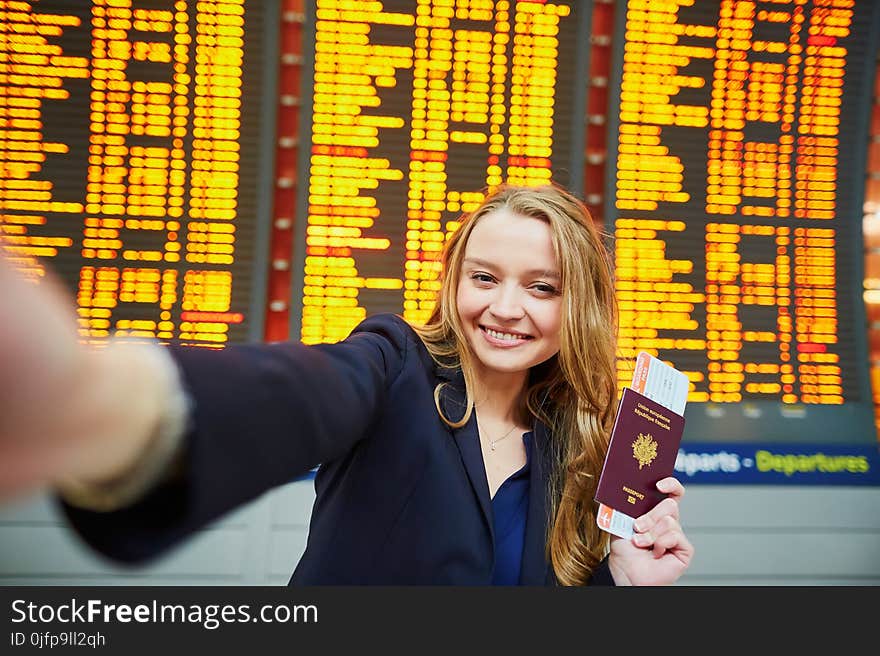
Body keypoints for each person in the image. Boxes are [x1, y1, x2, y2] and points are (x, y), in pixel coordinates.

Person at [0, 182, 694, 585]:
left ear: (579, 306)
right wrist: (105, 399)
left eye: (542, 287)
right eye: (484, 277)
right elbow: (305, 393)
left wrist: (621, 581)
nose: (506, 308)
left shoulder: (573, 443)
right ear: (454, 281)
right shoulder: (394, 365)